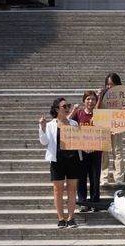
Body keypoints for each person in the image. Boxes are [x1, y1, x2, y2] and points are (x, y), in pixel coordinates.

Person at [39, 98, 82, 228]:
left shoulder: (74, 124)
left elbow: (81, 140)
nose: (67, 108)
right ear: (57, 109)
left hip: (73, 159)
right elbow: (44, 142)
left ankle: (71, 218)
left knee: (72, 189)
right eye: (64, 106)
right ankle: (61, 218)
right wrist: (42, 128)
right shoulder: (50, 125)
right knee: (58, 190)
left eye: (68, 106)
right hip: (57, 160)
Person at [69, 90, 102, 212]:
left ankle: (95, 202)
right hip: (81, 151)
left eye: (93, 99)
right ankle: (83, 202)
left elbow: (107, 128)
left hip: (96, 150)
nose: (90, 101)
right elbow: (65, 124)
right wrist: (73, 110)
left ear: (96, 101)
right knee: (81, 177)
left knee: (95, 177)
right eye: (88, 99)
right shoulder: (79, 114)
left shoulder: (100, 115)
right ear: (84, 101)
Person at [96, 73, 125, 185]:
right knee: (104, 153)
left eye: (112, 84)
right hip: (104, 126)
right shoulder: (102, 94)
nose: (109, 87)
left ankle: (119, 178)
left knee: (117, 152)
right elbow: (96, 109)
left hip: (117, 126)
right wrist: (99, 97)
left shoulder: (121, 95)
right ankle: (104, 177)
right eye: (107, 84)